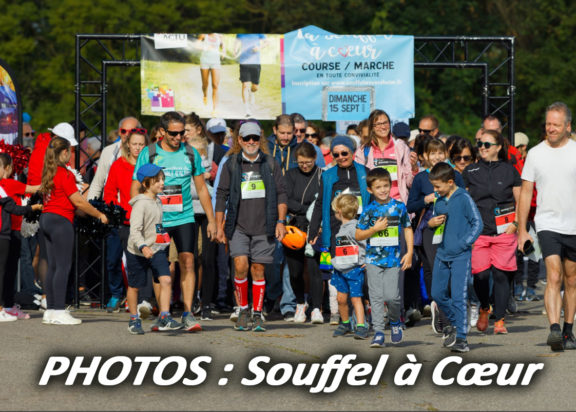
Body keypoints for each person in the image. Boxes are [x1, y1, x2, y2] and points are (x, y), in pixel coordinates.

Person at [131, 111, 216, 332]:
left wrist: (212, 220)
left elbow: (201, 189)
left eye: (181, 133)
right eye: (173, 134)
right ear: (161, 132)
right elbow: (135, 187)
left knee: (188, 261)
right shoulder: (149, 154)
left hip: (184, 216)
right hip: (157, 219)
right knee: (163, 267)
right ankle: (163, 313)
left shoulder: (190, 153)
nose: (179, 137)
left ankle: (188, 313)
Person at [215, 121, 288, 332]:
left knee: (258, 269)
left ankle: (257, 313)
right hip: (238, 225)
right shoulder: (231, 164)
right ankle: (243, 309)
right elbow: (221, 194)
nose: (251, 142)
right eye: (246, 138)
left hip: (265, 226)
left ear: (260, 139)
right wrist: (219, 226)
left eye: (255, 138)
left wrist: (281, 221)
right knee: (240, 266)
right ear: (239, 140)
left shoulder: (271, 163)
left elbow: (282, 193)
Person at [517, 101, 576, 351]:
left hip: (574, 224)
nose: (550, 128)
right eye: (548, 124)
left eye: (556, 124)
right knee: (553, 275)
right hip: (547, 223)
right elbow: (525, 192)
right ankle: (553, 328)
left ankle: (568, 331)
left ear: (567, 126)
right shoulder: (535, 153)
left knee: (572, 280)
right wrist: (521, 231)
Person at [40, 137, 109, 325]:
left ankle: (52, 310)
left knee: (53, 266)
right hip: (60, 221)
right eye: (69, 152)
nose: (71, 156)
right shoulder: (65, 173)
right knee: (63, 266)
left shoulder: (48, 172)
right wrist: (98, 214)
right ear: (63, 153)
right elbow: (78, 201)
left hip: (47, 218)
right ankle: (59, 311)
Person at [464, 130, 521, 334]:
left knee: (501, 276)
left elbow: (521, 200)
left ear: (497, 147)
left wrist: (516, 223)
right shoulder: (470, 171)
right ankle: (484, 307)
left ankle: (499, 320)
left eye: (487, 144)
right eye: (479, 143)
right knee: (480, 276)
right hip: (479, 232)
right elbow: (464, 201)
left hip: (504, 231)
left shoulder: (509, 171)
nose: (482, 147)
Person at [407, 138, 465, 333]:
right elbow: (411, 206)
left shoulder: (455, 175)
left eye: (440, 152)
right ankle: (441, 312)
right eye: (433, 153)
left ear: (446, 154)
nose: (437, 156)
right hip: (429, 228)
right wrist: (426, 199)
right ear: (425, 156)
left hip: (451, 227)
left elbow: (464, 199)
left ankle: (441, 306)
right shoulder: (421, 178)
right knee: (433, 269)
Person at [428, 163, 483, 352]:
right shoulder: (439, 200)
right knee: (436, 293)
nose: (435, 191)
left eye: (438, 187)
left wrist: (463, 243)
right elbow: (436, 224)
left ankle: (462, 338)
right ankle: (454, 322)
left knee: (459, 296)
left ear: (450, 182)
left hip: (460, 255)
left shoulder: (463, 198)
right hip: (441, 254)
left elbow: (478, 224)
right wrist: (431, 223)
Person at [356, 168, 413, 347]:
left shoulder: (398, 207)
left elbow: (407, 228)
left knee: (392, 296)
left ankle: (395, 322)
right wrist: (374, 229)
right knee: (376, 297)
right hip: (373, 260)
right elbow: (358, 235)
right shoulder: (369, 210)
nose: (382, 190)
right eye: (378, 187)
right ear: (370, 190)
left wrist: (409, 252)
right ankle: (379, 332)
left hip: (393, 259)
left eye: (386, 186)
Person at [103, 129, 152, 315]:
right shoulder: (118, 165)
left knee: (144, 260)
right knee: (117, 260)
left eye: (141, 144)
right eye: (135, 144)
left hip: (146, 221)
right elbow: (108, 193)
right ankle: (118, 294)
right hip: (124, 221)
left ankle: (144, 301)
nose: (138, 148)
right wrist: (116, 210)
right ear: (128, 145)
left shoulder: (150, 165)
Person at [126, 164, 179, 334]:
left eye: (163, 179)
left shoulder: (157, 201)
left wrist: (162, 238)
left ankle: (164, 316)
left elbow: (156, 226)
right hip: (137, 251)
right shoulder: (141, 204)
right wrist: (142, 246)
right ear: (146, 183)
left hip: (157, 249)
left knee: (166, 280)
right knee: (135, 286)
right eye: (158, 180)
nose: (162, 183)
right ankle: (134, 319)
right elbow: (134, 230)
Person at [284, 141, 323, 323]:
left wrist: (309, 210)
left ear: (315, 158)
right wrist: (306, 208)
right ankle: (300, 303)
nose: (305, 166)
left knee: (315, 269)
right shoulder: (290, 175)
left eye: (308, 162)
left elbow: (323, 202)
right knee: (295, 272)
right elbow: (286, 199)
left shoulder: (322, 175)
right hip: (294, 227)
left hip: (315, 227)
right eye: (301, 163)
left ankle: (316, 308)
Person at [0, 154, 42, 321]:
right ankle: (4, 306)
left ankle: (8, 306)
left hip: (11, 231)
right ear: (9, 168)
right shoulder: (9, 184)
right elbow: (33, 189)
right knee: (7, 272)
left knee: (8, 272)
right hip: (11, 232)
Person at [354, 109, 414, 204]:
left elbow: (410, 183)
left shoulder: (400, 147)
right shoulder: (362, 151)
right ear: (372, 127)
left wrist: (414, 168)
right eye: (378, 124)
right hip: (374, 205)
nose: (383, 127)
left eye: (385, 123)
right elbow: (360, 182)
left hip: (398, 204)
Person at [330, 194, 368, 339]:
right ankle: (345, 323)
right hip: (340, 270)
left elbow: (364, 243)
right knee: (340, 298)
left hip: (354, 270)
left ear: (339, 211)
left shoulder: (354, 228)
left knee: (356, 298)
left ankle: (360, 326)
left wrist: (364, 260)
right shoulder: (342, 228)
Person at [235, 33, 266, 117]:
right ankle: (247, 109)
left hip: (255, 63)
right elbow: (237, 42)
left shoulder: (259, 33)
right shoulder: (240, 33)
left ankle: (252, 93)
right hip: (244, 62)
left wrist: (259, 48)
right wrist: (235, 51)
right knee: (245, 85)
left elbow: (266, 42)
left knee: (255, 88)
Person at [198, 33, 223, 116]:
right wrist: (205, 47)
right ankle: (205, 95)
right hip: (205, 61)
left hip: (216, 62)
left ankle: (215, 109)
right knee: (205, 84)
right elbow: (196, 46)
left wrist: (223, 52)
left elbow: (223, 47)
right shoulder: (203, 35)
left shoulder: (220, 36)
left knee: (215, 85)